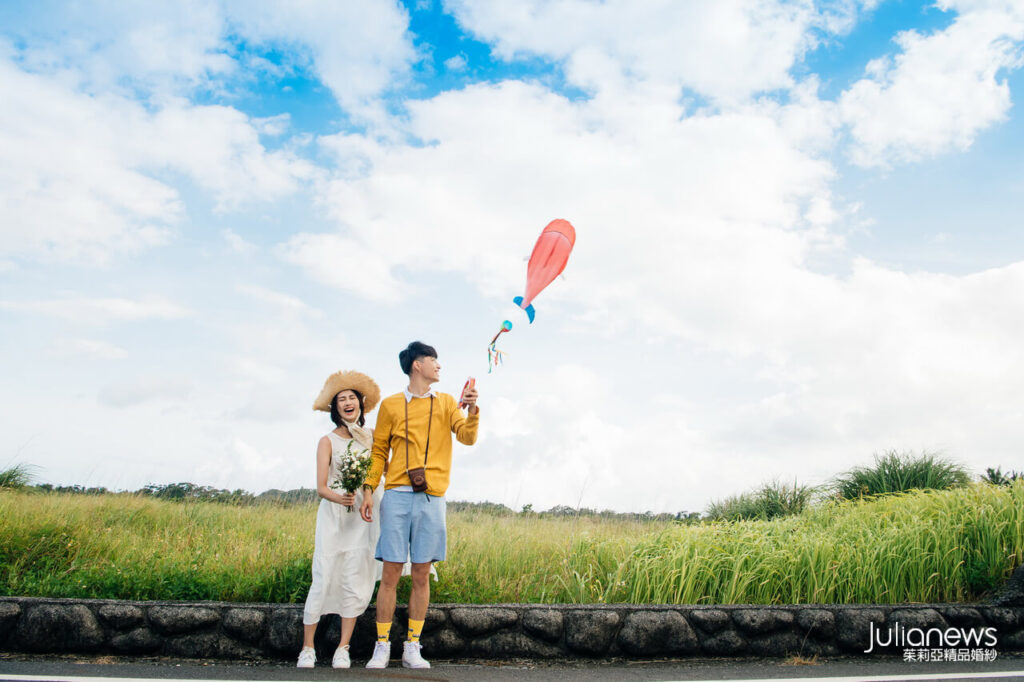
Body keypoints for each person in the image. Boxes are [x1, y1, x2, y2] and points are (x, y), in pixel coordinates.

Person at [359, 341, 479, 669]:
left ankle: (413, 645)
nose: (439, 365)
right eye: (433, 360)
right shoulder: (391, 405)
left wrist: (471, 410)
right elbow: (379, 450)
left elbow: (467, 437)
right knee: (391, 571)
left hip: (432, 496)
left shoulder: (445, 404)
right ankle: (381, 645)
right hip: (397, 493)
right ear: (417, 365)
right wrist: (369, 489)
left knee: (423, 572)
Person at [297, 370, 382, 669]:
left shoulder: (371, 438)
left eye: (351, 398)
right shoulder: (327, 441)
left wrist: (366, 495)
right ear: (335, 409)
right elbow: (321, 486)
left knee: (353, 578)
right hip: (335, 516)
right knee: (323, 577)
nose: (347, 403)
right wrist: (340, 497)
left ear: (360, 404)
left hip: (362, 516)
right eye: (341, 400)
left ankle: (342, 648)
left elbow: (375, 473)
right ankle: (308, 647)